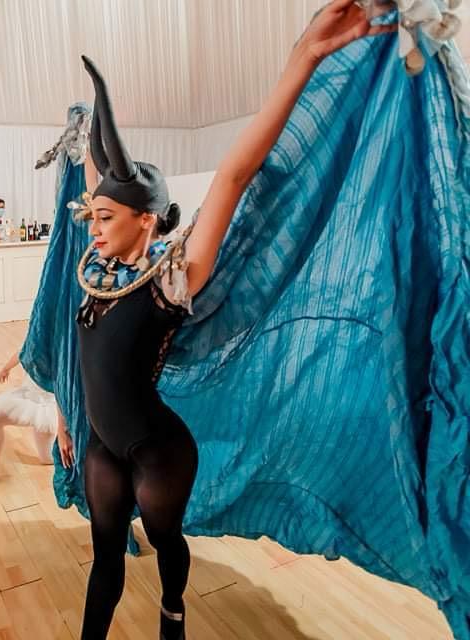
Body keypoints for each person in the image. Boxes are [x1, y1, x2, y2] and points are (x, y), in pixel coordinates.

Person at [69, 6, 394, 638]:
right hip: (103, 443)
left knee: (165, 540)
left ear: (145, 218)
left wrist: (305, 56)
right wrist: (87, 132)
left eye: (105, 217)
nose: (95, 226)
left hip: (158, 451)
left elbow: (236, 174)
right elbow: (97, 187)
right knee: (104, 555)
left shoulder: (173, 277)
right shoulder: (100, 267)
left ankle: (173, 609)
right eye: (93, 217)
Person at [0, 351, 58, 501]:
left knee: (46, 459)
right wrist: (6, 368)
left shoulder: (67, 345)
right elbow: (23, 349)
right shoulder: (37, 337)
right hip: (27, 398)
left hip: (50, 408)